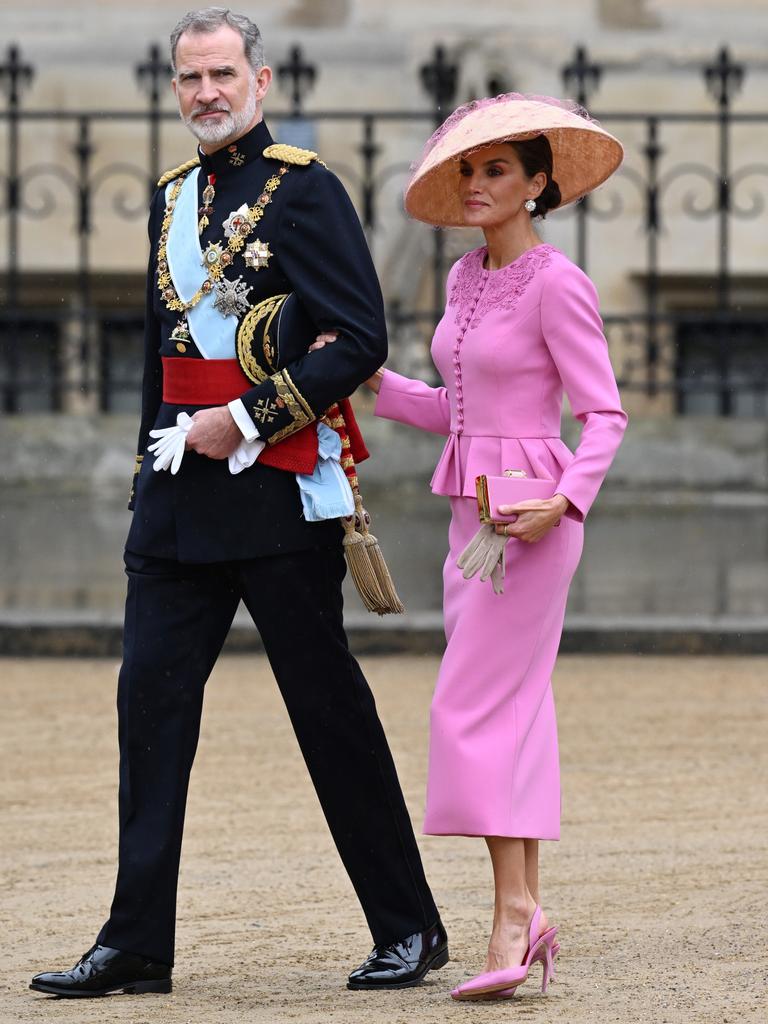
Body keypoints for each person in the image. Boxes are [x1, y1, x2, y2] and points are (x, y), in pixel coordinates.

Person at [29, 7, 447, 999]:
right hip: (175, 503)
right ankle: (137, 942)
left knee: (327, 712)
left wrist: (250, 419)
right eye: (189, 79)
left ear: (258, 80)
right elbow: (158, 359)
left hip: (273, 491)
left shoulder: (307, 193)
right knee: (150, 713)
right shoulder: (173, 196)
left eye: (221, 73)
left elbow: (357, 338)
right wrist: (150, 469)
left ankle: (409, 927)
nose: (206, 93)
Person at [316, 93, 627, 1000]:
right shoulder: (461, 280)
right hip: (469, 518)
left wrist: (565, 501)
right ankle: (527, 912)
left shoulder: (560, 281)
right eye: (471, 169)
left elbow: (602, 413)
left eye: (500, 170)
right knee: (516, 710)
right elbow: (453, 407)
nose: (480, 184)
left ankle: (508, 916)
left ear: (538, 184)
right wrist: (369, 377)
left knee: (473, 708)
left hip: (530, 521)